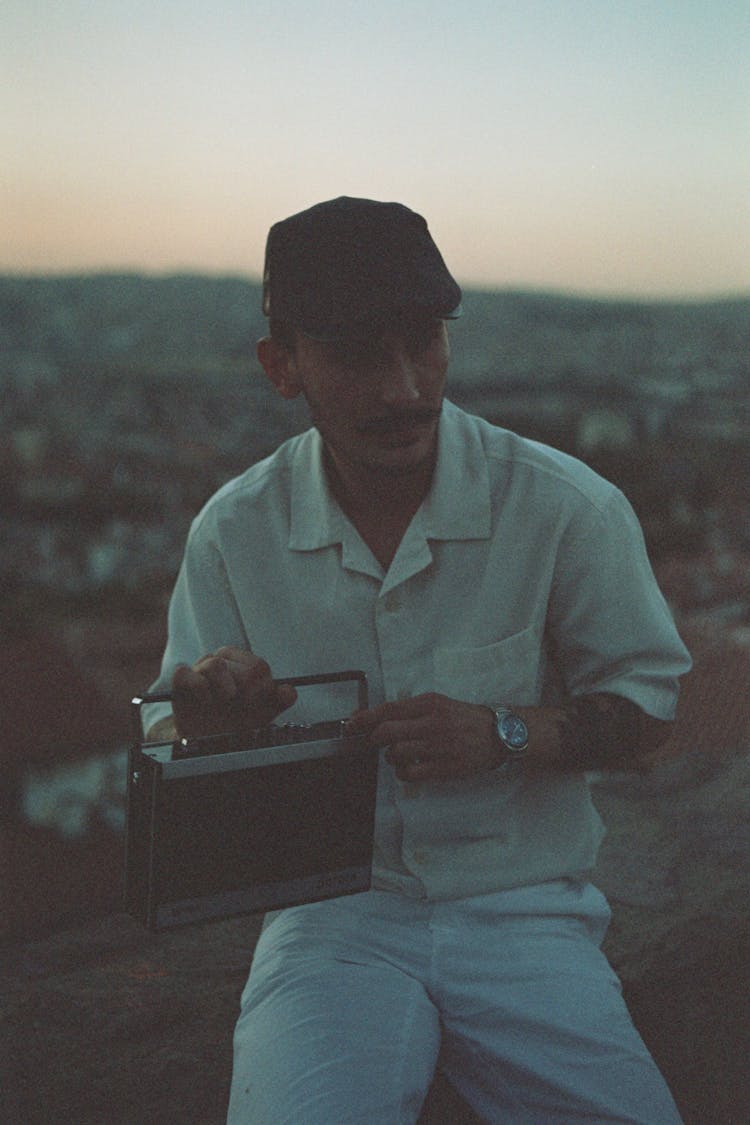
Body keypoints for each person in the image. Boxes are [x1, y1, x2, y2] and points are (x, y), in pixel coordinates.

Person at [145, 196, 691, 1124]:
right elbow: (173, 743)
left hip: (526, 912)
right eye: (360, 353)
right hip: (332, 919)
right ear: (283, 367)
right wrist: (213, 723)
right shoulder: (236, 531)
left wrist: (505, 731)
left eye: (426, 342)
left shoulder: (564, 508)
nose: (405, 387)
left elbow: (649, 716)